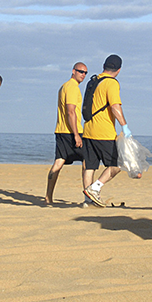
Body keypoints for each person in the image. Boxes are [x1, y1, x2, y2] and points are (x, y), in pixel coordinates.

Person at [81, 55, 132, 207]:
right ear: (119, 70)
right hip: (104, 131)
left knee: (90, 166)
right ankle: (95, 189)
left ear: (104, 66)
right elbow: (115, 106)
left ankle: (88, 201)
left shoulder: (93, 81)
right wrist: (124, 126)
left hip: (88, 129)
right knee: (118, 164)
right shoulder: (111, 83)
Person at [45, 62, 88, 205]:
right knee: (87, 162)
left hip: (61, 131)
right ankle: (88, 197)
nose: (83, 74)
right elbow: (71, 112)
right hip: (71, 131)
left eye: (85, 72)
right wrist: (76, 134)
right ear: (73, 71)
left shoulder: (64, 87)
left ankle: (48, 197)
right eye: (80, 71)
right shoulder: (71, 87)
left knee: (59, 162)